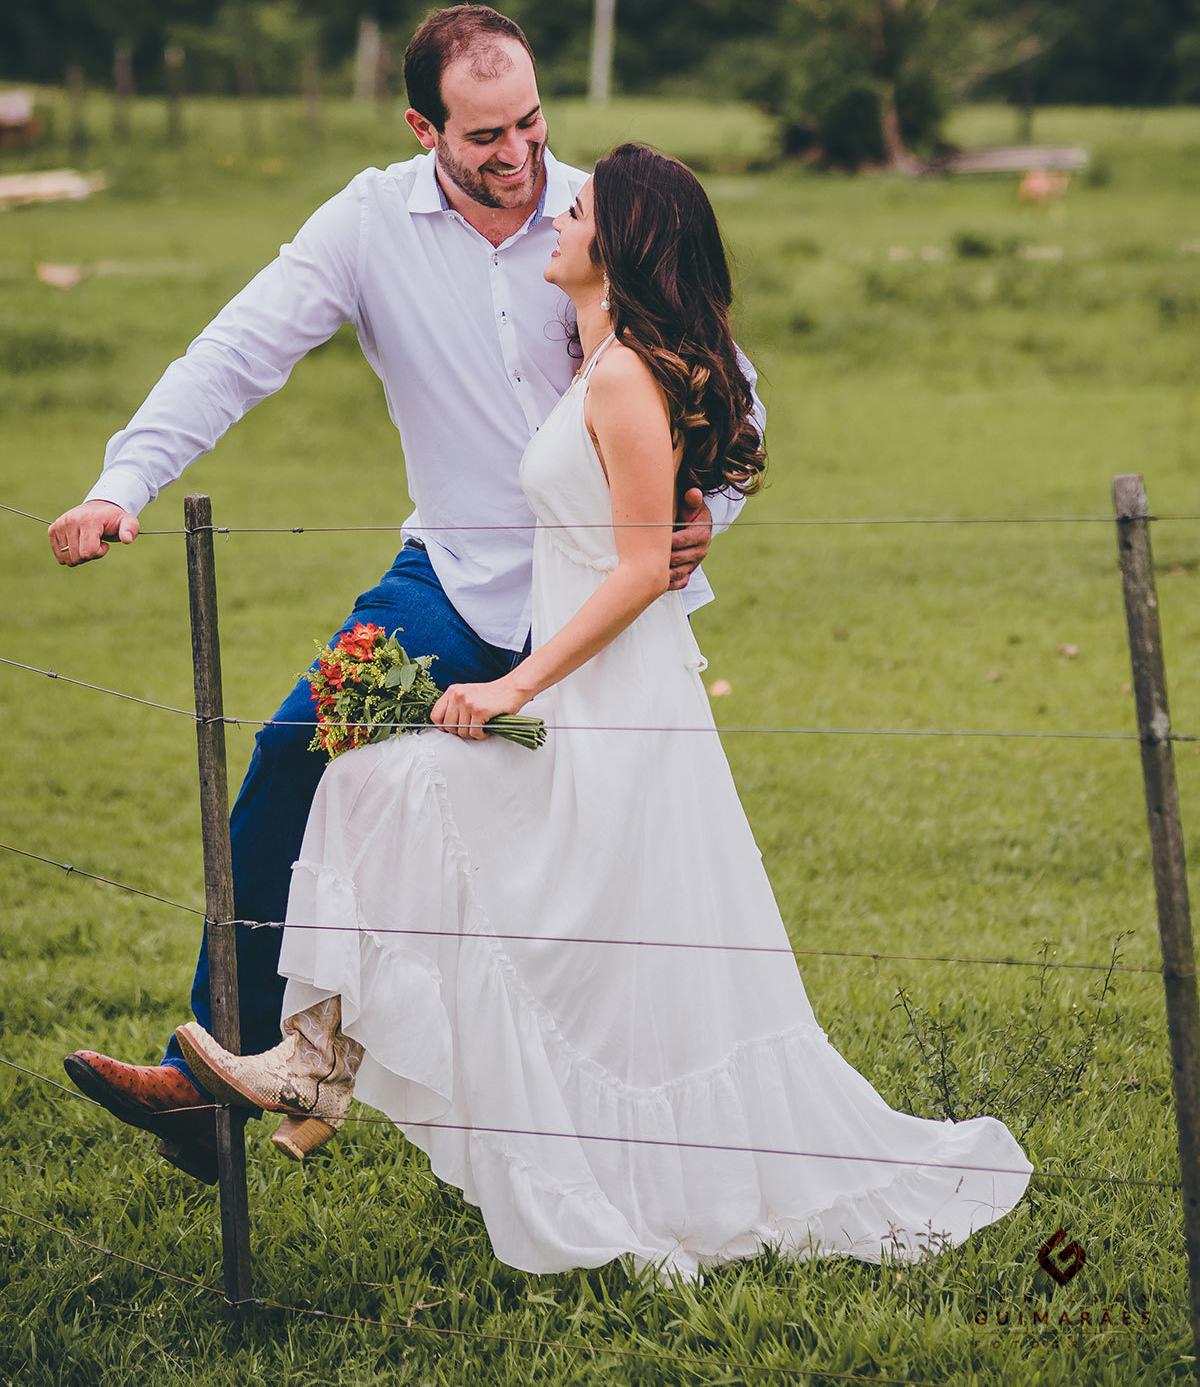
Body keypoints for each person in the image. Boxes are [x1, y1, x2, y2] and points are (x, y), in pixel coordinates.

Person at [174, 145, 1032, 1280]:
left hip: (605, 692)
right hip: (589, 679)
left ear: (616, 247)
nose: (555, 213)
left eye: (574, 208)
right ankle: (316, 1062)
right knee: (386, 793)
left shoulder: (625, 372)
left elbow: (634, 569)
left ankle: (326, 1065)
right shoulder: (599, 357)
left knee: (402, 799)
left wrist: (516, 684)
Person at [51, 6, 754, 1187]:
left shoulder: (605, 218)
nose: (519, 152)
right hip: (450, 587)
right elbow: (236, 350)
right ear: (423, 123)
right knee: (291, 755)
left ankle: (642, 1128)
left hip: (602, 600)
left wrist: (700, 517)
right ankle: (216, 1071)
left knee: (602, 873)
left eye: (532, 119)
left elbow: (733, 393)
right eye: (485, 132)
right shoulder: (368, 224)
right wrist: (126, 479)